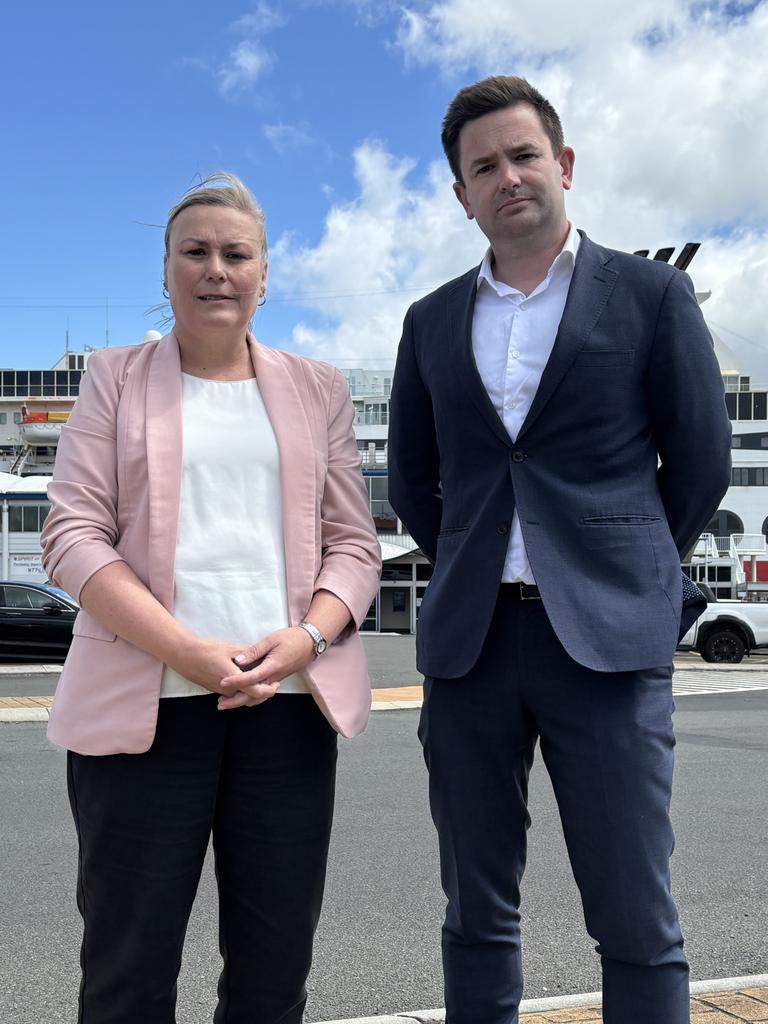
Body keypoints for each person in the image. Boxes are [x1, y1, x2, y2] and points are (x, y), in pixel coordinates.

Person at [388, 77, 731, 1024]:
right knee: (476, 914)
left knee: (636, 916)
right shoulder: (428, 321)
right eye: (483, 167)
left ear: (565, 164)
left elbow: (697, 465)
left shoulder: (653, 295)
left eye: (523, 155)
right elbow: (417, 484)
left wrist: (624, 569)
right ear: (463, 196)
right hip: (472, 648)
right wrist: (474, 554)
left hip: (609, 648)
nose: (507, 177)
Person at [41, 171, 381, 1024]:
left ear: (266, 276)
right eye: (195, 252)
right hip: (145, 708)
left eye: (237, 254)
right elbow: (72, 536)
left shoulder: (317, 388)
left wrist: (308, 636)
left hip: (287, 707)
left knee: (273, 975)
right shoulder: (113, 379)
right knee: (127, 972)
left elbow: (354, 545)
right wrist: (187, 652)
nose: (216, 269)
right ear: (165, 271)